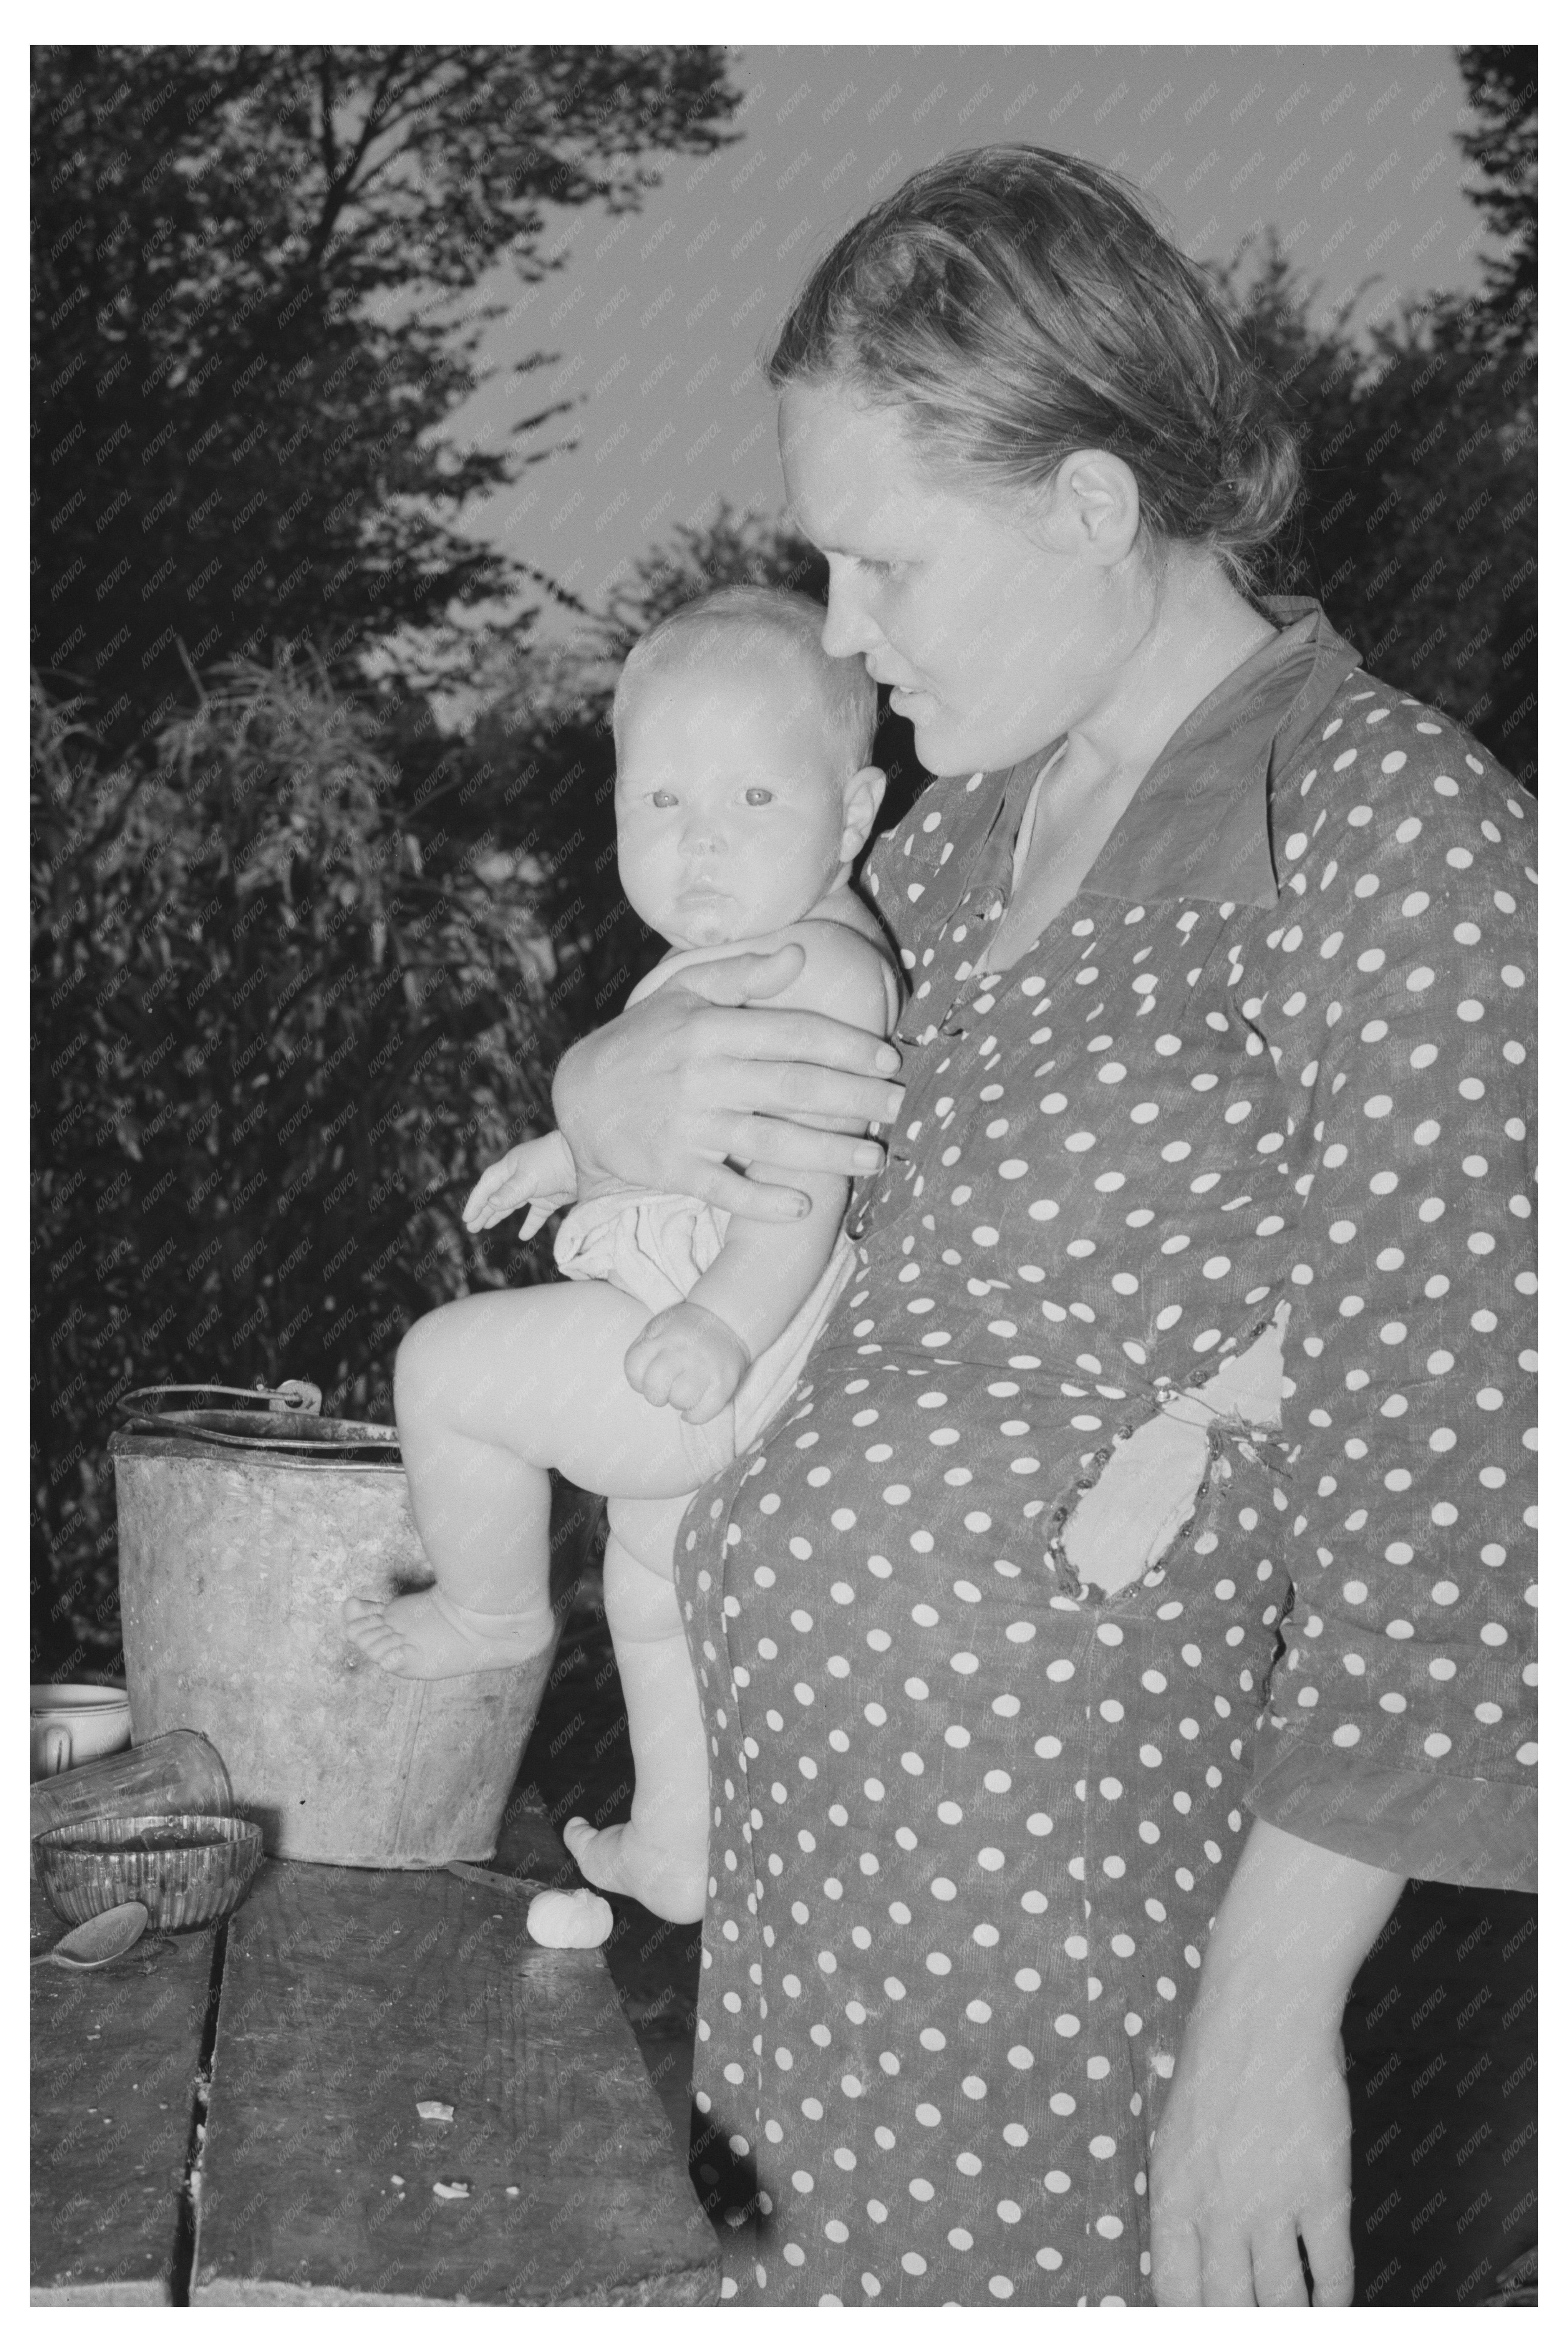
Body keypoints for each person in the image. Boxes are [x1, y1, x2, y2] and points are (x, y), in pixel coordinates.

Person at [549, 148, 1536, 2304]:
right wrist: (599, 1091)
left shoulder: (1391, 839)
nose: (840, 630)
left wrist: (1264, 2026)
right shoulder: (940, 859)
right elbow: (713, 1149)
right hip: (813, 1925)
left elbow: (1469, 1504)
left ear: (1093, 503)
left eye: (883, 558)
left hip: (1087, 1970)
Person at [344, 589, 900, 1924]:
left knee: (448, 1366)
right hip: (709, 1349)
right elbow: (685, 1121)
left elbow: (797, 1186)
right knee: (650, 1598)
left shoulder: (815, 969)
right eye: (661, 803)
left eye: (755, 801)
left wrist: (718, 1323)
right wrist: (575, 1152)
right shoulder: (738, 954)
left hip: (713, 1346)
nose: (700, 844)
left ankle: (488, 1614)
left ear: (858, 815)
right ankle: (679, 1841)